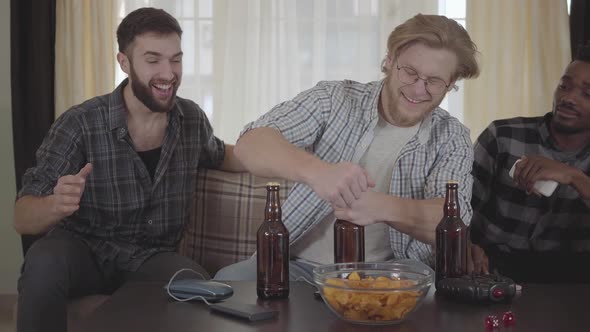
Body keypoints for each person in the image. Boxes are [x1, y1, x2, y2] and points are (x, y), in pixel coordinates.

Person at [13, 7, 243, 332]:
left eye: (175, 59)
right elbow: (21, 218)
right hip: (83, 250)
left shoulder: (190, 120)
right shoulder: (80, 124)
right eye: (153, 60)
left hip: (151, 257)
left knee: (198, 286)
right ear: (124, 63)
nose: (168, 72)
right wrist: (54, 205)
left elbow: (222, 155)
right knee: (43, 263)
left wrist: (287, 158)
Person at [215, 14, 480, 281]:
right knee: (228, 283)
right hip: (296, 267)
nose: (418, 89)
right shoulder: (333, 99)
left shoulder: (452, 137)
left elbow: (454, 220)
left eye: (434, 81)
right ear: (390, 60)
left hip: (395, 276)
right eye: (410, 72)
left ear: (451, 83)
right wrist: (319, 173)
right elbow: (250, 145)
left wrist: (381, 207)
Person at [470, 41, 590, 283]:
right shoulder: (502, 136)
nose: (568, 98)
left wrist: (574, 177)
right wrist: (465, 244)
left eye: (587, 94)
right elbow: (458, 206)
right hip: (491, 271)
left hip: (574, 284)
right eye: (564, 86)